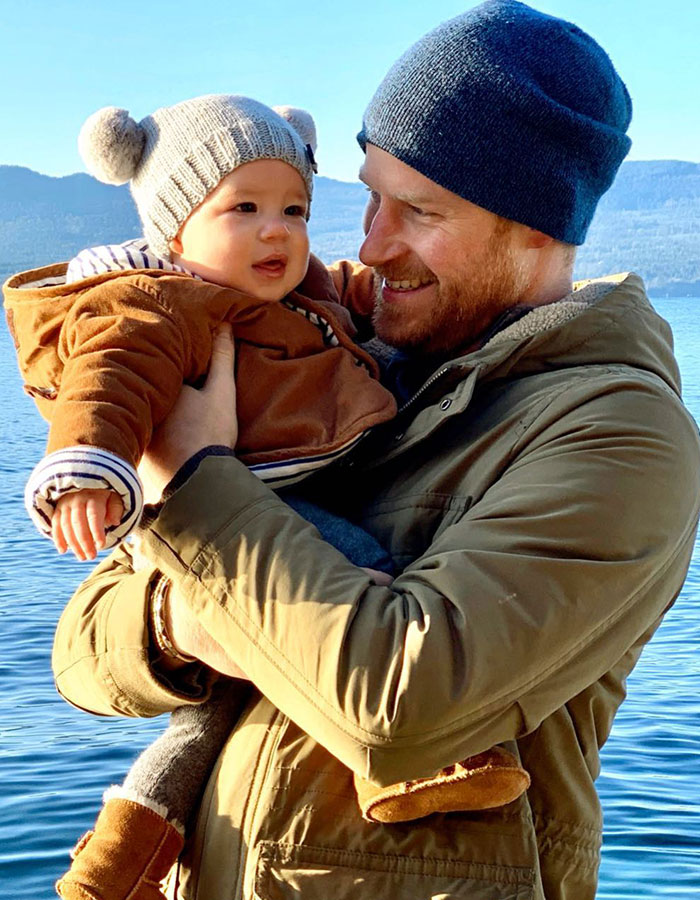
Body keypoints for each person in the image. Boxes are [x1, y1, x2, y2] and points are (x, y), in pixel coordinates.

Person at [51, 2, 700, 899]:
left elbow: (402, 709)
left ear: (537, 226)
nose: (370, 243)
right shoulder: (344, 357)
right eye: (369, 197)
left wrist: (196, 486)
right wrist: (175, 626)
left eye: (420, 212)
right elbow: (81, 652)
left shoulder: (616, 432)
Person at [5, 93, 528, 900]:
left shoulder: (290, 292)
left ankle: (122, 857)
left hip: (244, 513)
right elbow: (108, 383)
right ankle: (449, 750)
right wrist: (87, 470)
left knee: (210, 713)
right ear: (174, 227)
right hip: (251, 503)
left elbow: (355, 297)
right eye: (242, 208)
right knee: (365, 572)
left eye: (294, 208)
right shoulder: (155, 305)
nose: (277, 229)